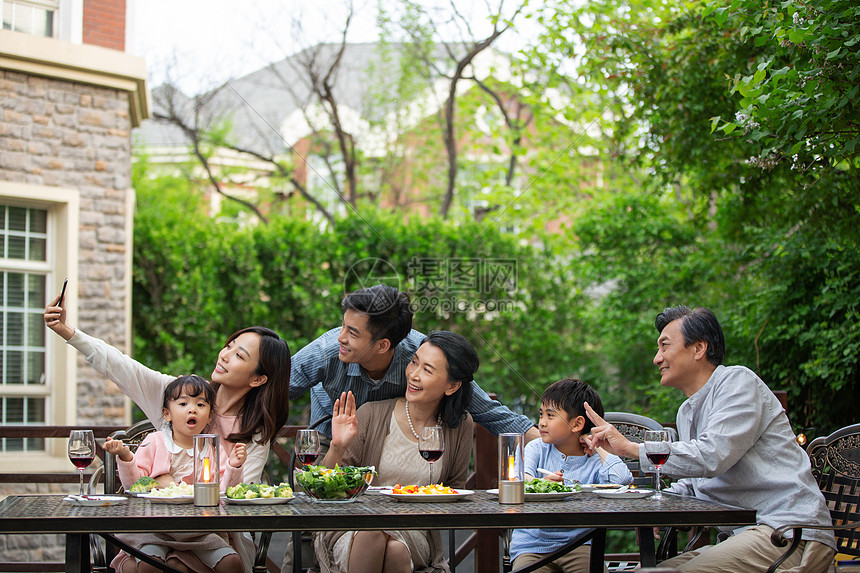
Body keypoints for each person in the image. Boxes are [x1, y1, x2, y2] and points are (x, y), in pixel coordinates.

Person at [44, 293, 291, 571]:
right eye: (229, 346)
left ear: (257, 378)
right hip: (156, 527)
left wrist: (169, 480)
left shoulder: (254, 433)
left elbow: (236, 497)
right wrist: (67, 331)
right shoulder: (180, 395)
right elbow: (122, 367)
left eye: (239, 355)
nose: (224, 355)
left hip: (215, 535)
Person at [583, 305, 837, 572]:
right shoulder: (687, 411)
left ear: (698, 348)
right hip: (744, 535)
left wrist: (632, 448)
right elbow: (696, 486)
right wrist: (650, 505)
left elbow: (712, 455)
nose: (657, 359)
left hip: (787, 532)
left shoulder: (738, 383)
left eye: (665, 346)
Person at [313, 330, 477, 573]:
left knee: (395, 546)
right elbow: (324, 491)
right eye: (414, 362)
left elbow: (455, 489)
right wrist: (338, 446)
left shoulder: (460, 425)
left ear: (451, 386)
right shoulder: (371, 414)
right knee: (380, 537)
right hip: (357, 524)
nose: (414, 375)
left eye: (428, 370)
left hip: (416, 529)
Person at [290, 284, 538, 442]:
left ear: (383, 345)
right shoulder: (326, 351)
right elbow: (273, 388)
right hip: (330, 436)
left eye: (352, 333)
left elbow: (489, 412)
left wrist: (552, 447)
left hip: (388, 442)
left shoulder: (420, 355)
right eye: (343, 326)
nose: (340, 337)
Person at [104, 375, 246, 573]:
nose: (192, 408)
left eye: (201, 404)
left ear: (210, 415)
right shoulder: (154, 442)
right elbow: (134, 486)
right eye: (183, 403)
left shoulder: (212, 448)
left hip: (199, 531)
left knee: (232, 564)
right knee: (149, 566)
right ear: (167, 413)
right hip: (155, 528)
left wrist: (234, 466)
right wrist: (126, 456)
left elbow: (225, 492)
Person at [510, 378, 632, 573]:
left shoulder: (593, 459)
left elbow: (622, 480)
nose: (541, 422)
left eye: (551, 415)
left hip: (580, 544)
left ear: (577, 424)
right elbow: (517, 480)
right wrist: (542, 484)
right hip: (533, 546)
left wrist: (599, 447)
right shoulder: (536, 449)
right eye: (541, 414)